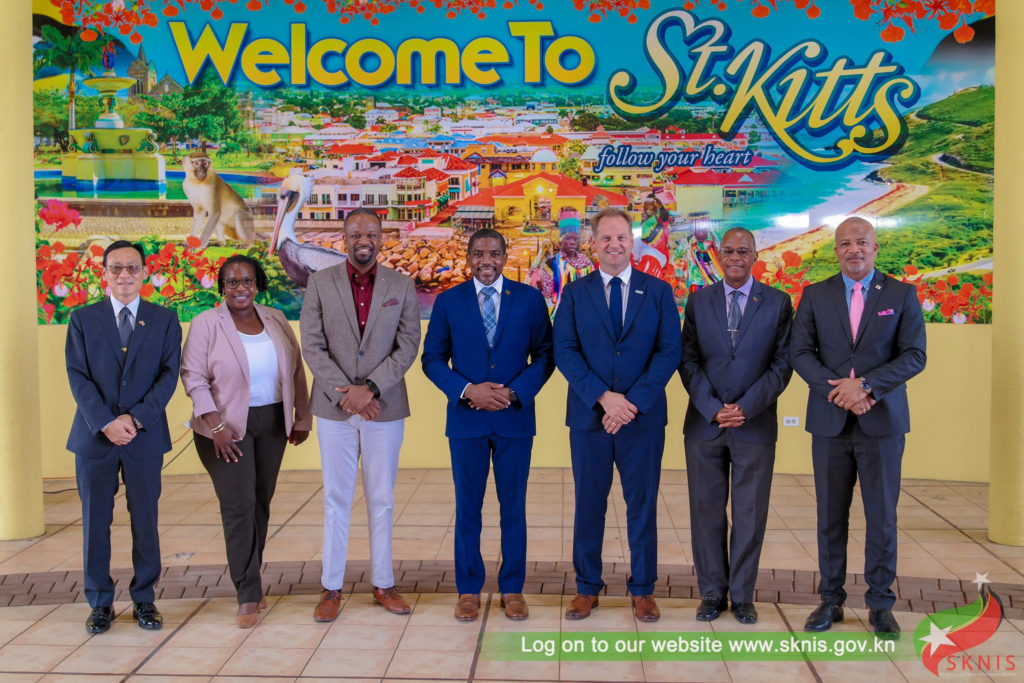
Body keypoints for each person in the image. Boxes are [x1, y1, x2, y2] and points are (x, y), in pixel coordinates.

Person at [790, 216, 926, 639]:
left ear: (875, 248)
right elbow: (800, 352)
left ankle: (881, 603)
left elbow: (914, 355)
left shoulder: (901, 294)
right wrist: (840, 392)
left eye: (862, 242)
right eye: (846, 243)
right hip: (830, 423)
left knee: (881, 517)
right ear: (836, 250)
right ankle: (830, 599)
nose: (854, 249)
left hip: (881, 422)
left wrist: (866, 386)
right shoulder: (815, 294)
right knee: (830, 517)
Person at [552, 207, 682, 623]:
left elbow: (669, 352)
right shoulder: (575, 293)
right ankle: (586, 587)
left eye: (621, 237)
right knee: (588, 505)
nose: (614, 245)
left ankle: (643, 589)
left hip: (641, 420)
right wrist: (603, 398)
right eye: (606, 238)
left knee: (641, 506)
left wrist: (630, 403)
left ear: (632, 242)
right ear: (594, 244)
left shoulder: (657, 292)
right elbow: (564, 351)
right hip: (589, 418)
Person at [422, 228, 554, 622]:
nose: (486, 261)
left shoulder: (529, 299)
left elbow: (546, 356)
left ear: (504, 256)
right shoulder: (449, 301)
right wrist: (467, 391)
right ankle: (468, 589)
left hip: (515, 420)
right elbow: (432, 359)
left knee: (513, 509)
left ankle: (512, 588)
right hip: (467, 422)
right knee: (468, 509)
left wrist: (513, 392)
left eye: (494, 253)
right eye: (479, 253)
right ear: (468, 258)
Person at [300, 208, 421, 622]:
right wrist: (348, 396)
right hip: (334, 409)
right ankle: (331, 588)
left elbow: (408, 345)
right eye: (355, 234)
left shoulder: (401, 285)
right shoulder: (320, 283)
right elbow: (312, 345)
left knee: (382, 499)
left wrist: (370, 388)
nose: (363, 240)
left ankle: (383, 584)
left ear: (381, 239)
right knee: (336, 499)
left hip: (384, 407)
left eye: (371, 234)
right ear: (344, 238)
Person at [180, 255, 312, 628]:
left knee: (259, 505)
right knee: (238, 506)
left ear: (258, 284)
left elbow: (295, 370)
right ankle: (248, 593)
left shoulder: (275, 318)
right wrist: (215, 424)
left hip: (272, 424)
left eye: (248, 281)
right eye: (233, 282)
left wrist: (301, 417)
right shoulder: (207, 323)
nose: (241, 288)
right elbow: (192, 376)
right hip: (224, 429)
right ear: (222, 287)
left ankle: (250, 577)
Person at [65, 240, 182, 634]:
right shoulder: (83, 319)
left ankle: (144, 599)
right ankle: (100, 602)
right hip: (94, 438)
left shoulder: (164, 320)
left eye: (132, 267)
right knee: (95, 522)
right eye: (115, 267)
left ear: (145, 272)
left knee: (145, 520)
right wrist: (106, 422)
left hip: (143, 437)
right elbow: (78, 376)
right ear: (104, 273)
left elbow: (169, 375)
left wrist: (135, 418)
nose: (124, 274)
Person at [679, 227, 793, 625]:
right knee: (706, 512)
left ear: (755, 256)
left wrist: (745, 407)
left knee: (749, 514)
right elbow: (688, 360)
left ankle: (743, 595)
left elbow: (782, 364)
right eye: (728, 250)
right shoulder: (698, 301)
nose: (734, 257)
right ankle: (712, 593)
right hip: (705, 425)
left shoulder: (778, 302)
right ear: (718, 255)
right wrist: (714, 408)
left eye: (743, 251)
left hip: (754, 425)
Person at [535, 218, 594, 316]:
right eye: (568, 238)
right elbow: (548, 294)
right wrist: (540, 283)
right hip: (561, 313)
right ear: (561, 240)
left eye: (575, 239)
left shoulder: (586, 262)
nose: (572, 242)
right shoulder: (552, 263)